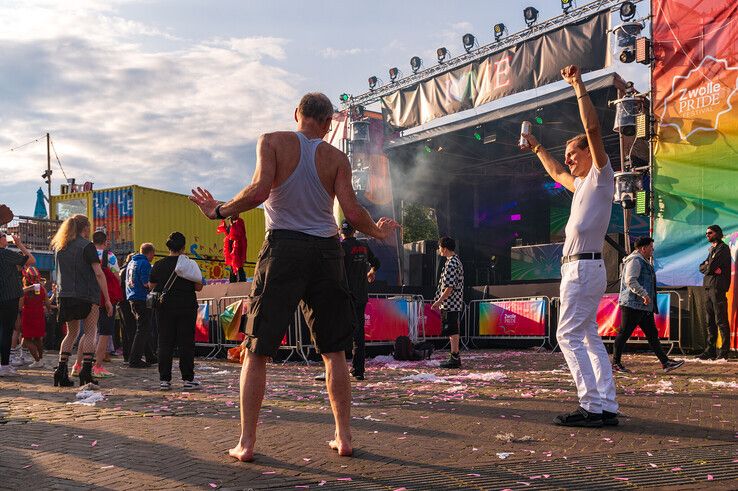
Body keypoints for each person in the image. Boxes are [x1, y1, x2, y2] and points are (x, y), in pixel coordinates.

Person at [190, 92, 399, 461]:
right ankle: (344, 437)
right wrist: (379, 233)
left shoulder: (272, 141)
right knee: (333, 351)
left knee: (257, 350)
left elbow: (258, 192)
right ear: (330, 121)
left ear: (296, 114)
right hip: (325, 252)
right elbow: (351, 211)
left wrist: (218, 210)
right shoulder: (337, 158)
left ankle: (247, 444)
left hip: (284, 247)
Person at [521, 65, 619, 428]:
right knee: (588, 334)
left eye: (573, 154)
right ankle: (606, 404)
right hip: (584, 268)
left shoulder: (600, 175)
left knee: (567, 335)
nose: (569, 160)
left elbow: (592, 129)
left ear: (589, 154)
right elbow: (555, 172)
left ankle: (591, 405)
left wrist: (578, 85)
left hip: (583, 269)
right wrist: (537, 147)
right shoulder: (580, 186)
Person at [315, 219, 380, 382]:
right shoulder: (364, 246)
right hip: (361, 295)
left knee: (338, 332)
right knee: (358, 334)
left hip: (344, 295)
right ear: (354, 230)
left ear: (341, 232)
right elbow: (377, 263)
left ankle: (336, 371)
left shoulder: (340, 247)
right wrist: (372, 271)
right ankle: (358, 370)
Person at [51, 215, 113, 387]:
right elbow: (99, 273)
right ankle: (86, 370)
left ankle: (60, 370)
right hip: (87, 295)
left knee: (71, 333)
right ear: (85, 228)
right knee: (91, 331)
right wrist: (107, 299)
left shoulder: (60, 246)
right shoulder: (87, 246)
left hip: (65, 295)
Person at [612, 237, 684, 373]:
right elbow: (630, 280)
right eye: (651, 247)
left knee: (652, 334)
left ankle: (665, 362)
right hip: (633, 305)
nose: (653, 250)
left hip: (643, 306)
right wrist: (644, 294)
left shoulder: (643, 260)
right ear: (643, 248)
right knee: (624, 333)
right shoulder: (635, 260)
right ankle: (615, 363)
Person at [149, 232, 204, 390]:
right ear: (183, 247)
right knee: (186, 343)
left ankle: (164, 380)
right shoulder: (190, 264)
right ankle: (187, 379)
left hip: (164, 308)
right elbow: (199, 286)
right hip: (187, 307)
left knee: (164, 343)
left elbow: (151, 285)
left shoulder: (159, 265)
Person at [71, 230, 121, 378]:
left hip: (87, 298)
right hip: (105, 299)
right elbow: (117, 278)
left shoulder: (85, 255)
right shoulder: (110, 256)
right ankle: (97, 367)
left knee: (87, 333)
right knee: (104, 333)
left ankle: (77, 365)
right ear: (105, 242)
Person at [0, 232, 35, 377]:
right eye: (3, 235)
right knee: (6, 330)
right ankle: (4, 365)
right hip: (9, 296)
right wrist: (19, 244)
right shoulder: (5, 253)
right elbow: (31, 260)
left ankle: (4, 364)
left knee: (3, 330)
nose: (5, 237)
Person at [698, 224, 732, 360]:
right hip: (708, 287)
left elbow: (710, 267)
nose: (708, 235)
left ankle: (723, 352)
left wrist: (708, 265)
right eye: (707, 233)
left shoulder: (722, 248)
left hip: (717, 288)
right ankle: (710, 350)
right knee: (709, 321)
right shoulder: (712, 249)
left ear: (717, 233)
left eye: (710, 233)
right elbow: (701, 267)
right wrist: (708, 265)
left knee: (721, 320)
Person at [431, 237, 465, 369]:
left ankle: (455, 357)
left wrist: (439, 301)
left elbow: (449, 287)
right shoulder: (454, 261)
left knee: (452, 330)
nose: (438, 250)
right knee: (452, 330)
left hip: (450, 303)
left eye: (439, 247)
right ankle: (454, 356)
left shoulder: (452, 263)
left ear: (444, 248)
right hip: (452, 302)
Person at [126, 243, 157, 368]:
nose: (153, 257)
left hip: (132, 297)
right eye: (153, 254)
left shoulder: (131, 263)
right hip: (141, 298)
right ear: (149, 253)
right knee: (143, 329)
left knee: (144, 329)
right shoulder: (144, 263)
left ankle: (150, 356)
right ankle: (135, 359)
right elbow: (146, 284)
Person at [21, 266, 52, 368]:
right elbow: (47, 303)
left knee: (27, 339)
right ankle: (41, 359)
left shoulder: (24, 291)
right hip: (39, 314)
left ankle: (37, 360)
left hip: (28, 315)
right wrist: (49, 310)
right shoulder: (41, 288)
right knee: (38, 338)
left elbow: (20, 306)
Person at [218, 215, 248, 282]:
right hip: (231, 246)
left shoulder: (239, 221)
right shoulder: (230, 225)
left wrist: (233, 224)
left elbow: (239, 234)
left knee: (238, 264)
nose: (230, 219)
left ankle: (241, 280)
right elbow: (228, 235)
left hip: (237, 246)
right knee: (232, 264)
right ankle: (232, 281)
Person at [118, 253, 136, 362]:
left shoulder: (122, 270)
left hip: (121, 302)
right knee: (130, 329)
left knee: (125, 329)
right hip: (126, 301)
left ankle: (126, 354)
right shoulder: (128, 270)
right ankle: (130, 354)